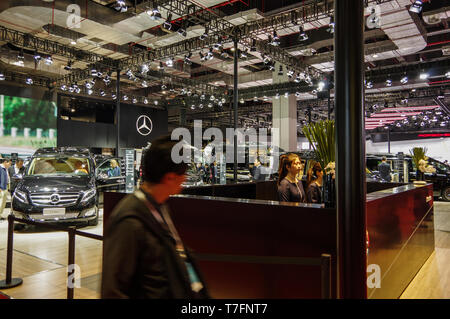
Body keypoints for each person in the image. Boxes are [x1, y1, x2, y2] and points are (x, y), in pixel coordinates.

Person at [101, 135, 209, 299]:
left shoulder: (160, 205)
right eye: (184, 173)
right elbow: (112, 291)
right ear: (170, 177)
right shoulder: (129, 221)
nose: (185, 178)